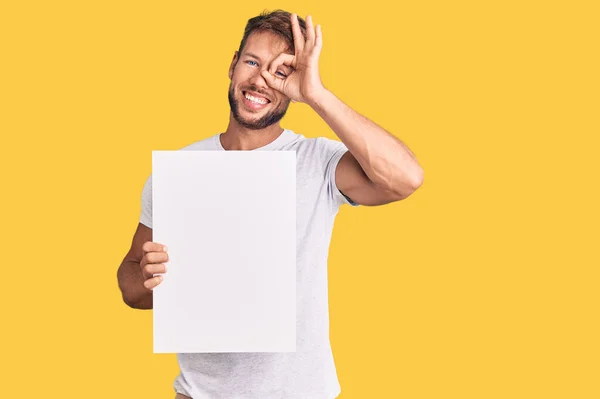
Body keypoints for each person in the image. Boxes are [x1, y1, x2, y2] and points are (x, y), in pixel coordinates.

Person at [117, 9, 423, 399]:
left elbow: (406, 179)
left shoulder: (316, 162)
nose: (260, 79)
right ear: (232, 66)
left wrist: (317, 95)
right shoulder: (179, 172)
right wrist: (149, 276)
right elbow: (130, 286)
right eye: (252, 62)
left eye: (280, 72)